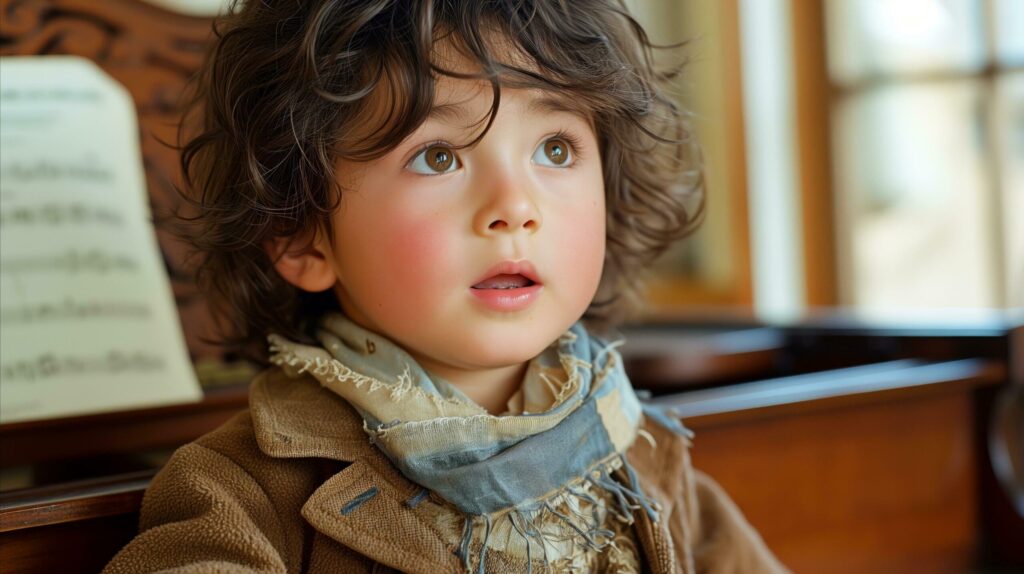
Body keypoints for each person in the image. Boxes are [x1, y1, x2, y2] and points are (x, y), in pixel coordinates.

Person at [105, 1, 788, 572]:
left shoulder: (641, 457)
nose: (515, 206)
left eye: (555, 148)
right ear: (301, 235)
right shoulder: (241, 490)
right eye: (438, 157)